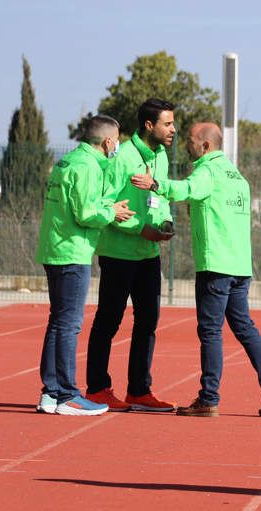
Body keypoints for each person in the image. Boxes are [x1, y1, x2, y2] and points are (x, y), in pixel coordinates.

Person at [130, 122, 261, 418]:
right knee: (245, 327)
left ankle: (208, 398)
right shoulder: (236, 175)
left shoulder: (207, 171)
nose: (185, 144)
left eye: (190, 140)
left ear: (205, 145)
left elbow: (188, 189)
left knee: (211, 331)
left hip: (215, 264)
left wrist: (156, 185)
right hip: (240, 264)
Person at [34, 115, 135, 415]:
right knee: (68, 324)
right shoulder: (87, 166)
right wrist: (112, 211)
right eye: (117, 140)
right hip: (71, 252)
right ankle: (67, 395)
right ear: (107, 141)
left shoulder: (68, 162)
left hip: (56, 248)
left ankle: (51, 393)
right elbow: (86, 212)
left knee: (58, 322)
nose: (118, 145)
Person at [85, 98, 177, 413]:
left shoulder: (162, 156)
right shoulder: (123, 156)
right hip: (119, 252)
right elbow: (108, 204)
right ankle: (97, 388)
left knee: (148, 320)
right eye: (167, 123)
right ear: (149, 125)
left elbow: (160, 197)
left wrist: (166, 223)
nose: (173, 130)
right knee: (108, 320)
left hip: (148, 253)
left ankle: (139, 391)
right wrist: (141, 229)